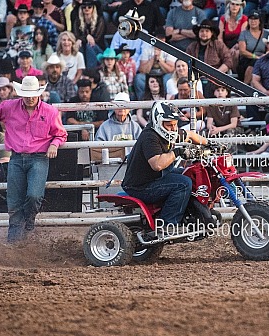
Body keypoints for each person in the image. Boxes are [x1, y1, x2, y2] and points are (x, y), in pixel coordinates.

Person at [0, 76, 67, 243]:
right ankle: (16, 239)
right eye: (26, 94)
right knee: (14, 200)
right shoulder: (9, 107)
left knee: (33, 195)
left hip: (38, 157)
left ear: (38, 94)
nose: (30, 97)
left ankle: (26, 228)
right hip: (17, 158)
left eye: (32, 94)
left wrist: (54, 144)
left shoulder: (49, 111)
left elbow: (61, 133)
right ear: (21, 94)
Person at [121, 101, 207, 233]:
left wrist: (210, 144)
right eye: (169, 125)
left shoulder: (168, 131)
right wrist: (178, 152)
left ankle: (190, 214)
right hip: (141, 185)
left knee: (188, 172)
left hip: (155, 177)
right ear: (158, 122)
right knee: (184, 183)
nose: (173, 128)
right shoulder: (150, 137)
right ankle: (167, 224)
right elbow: (157, 164)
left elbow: (190, 134)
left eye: (175, 124)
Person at [72, 0, 106, 69]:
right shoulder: (77, 21)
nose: (87, 9)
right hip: (83, 48)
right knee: (79, 44)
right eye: (84, 7)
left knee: (89, 45)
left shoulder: (100, 20)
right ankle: (81, 69)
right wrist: (86, 36)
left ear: (93, 8)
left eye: (89, 7)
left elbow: (96, 39)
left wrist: (83, 38)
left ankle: (90, 71)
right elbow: (76, 36)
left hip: (98, 50)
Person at [237, 11, 267, 84]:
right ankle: (245, 86)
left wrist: (265, 55)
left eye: (255, 19)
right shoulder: (244, 34)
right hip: (247, 59)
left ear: (260, 21)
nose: (253, 21)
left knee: (256, 64)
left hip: (264, 58)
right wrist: (256, 57)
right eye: (251, 19)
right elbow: (242, 51)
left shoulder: (266, 33)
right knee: (252, 65)